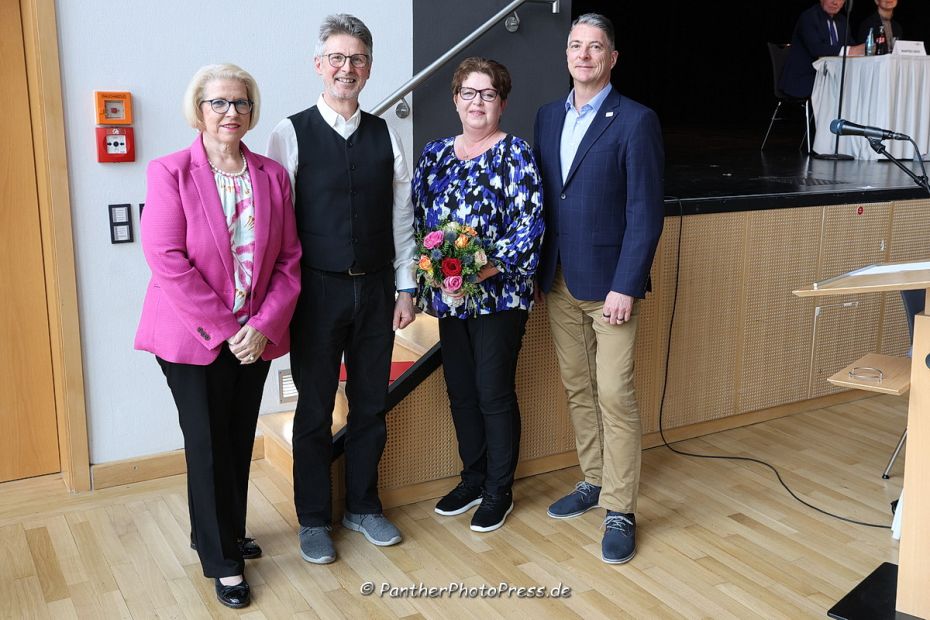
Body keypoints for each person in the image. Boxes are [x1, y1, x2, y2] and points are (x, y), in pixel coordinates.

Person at [135, 64, 302, 608]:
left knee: (235, 438)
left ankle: (222, 530)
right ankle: (221, 561)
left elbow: (288, 261)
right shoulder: (170, 171)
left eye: (241, 103)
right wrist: (230, 330)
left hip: (253, 337)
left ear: (252, 111)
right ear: (199, 110)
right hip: (192, 339)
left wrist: (262, 327)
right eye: (219, 103)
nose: (231, 113)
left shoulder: (272, 176)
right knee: (207, 443)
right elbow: (166, 259)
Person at [266, 14, 417, 564]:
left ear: (369, 68)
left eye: (356, 59)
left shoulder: (387, 135)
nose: (346, 68)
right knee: (312, 409)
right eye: (336, 57)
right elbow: (277, 227)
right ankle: (312, 518)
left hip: (377, 289)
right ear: (318, 65)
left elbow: (403, 218)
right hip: (315, 292)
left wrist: (406, 288)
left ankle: (362, 505)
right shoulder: (290, 132)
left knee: (371, 405)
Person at [533, 13, 664, 564]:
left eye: (596, 47)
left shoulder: (636, 120)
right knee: (578, 387)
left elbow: (645, 212)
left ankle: (619, 507)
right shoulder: (544, 117)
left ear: (612, 58)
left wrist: (626, 284)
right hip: (558, 278)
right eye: (575, 46)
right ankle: (592, 480)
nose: (584, 55)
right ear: (567, 55)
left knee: (614, 391)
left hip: (610, 287)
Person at [413, 57, 544, 533]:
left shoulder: (517, 155)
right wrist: (436, 275)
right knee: (461, 392)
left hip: (500, 297)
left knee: (492, 392)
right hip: (452, 300)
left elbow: (530, 227)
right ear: (455, 99)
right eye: (468, 92)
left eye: (487, 94)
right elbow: (419, 223)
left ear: (501, 103)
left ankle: (498, 490)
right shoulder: (434, 156)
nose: (477, 102)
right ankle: (472, 477)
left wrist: (478, 269)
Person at [780, 0, 865, 99]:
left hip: (831, 79)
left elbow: (852, 46)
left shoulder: (843, 21)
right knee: (843, 90)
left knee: (859, 86)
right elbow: (817, 49)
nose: (835, 2)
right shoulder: (809, 17)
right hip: (804, 79)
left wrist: (863, 49)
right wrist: (849, 51)